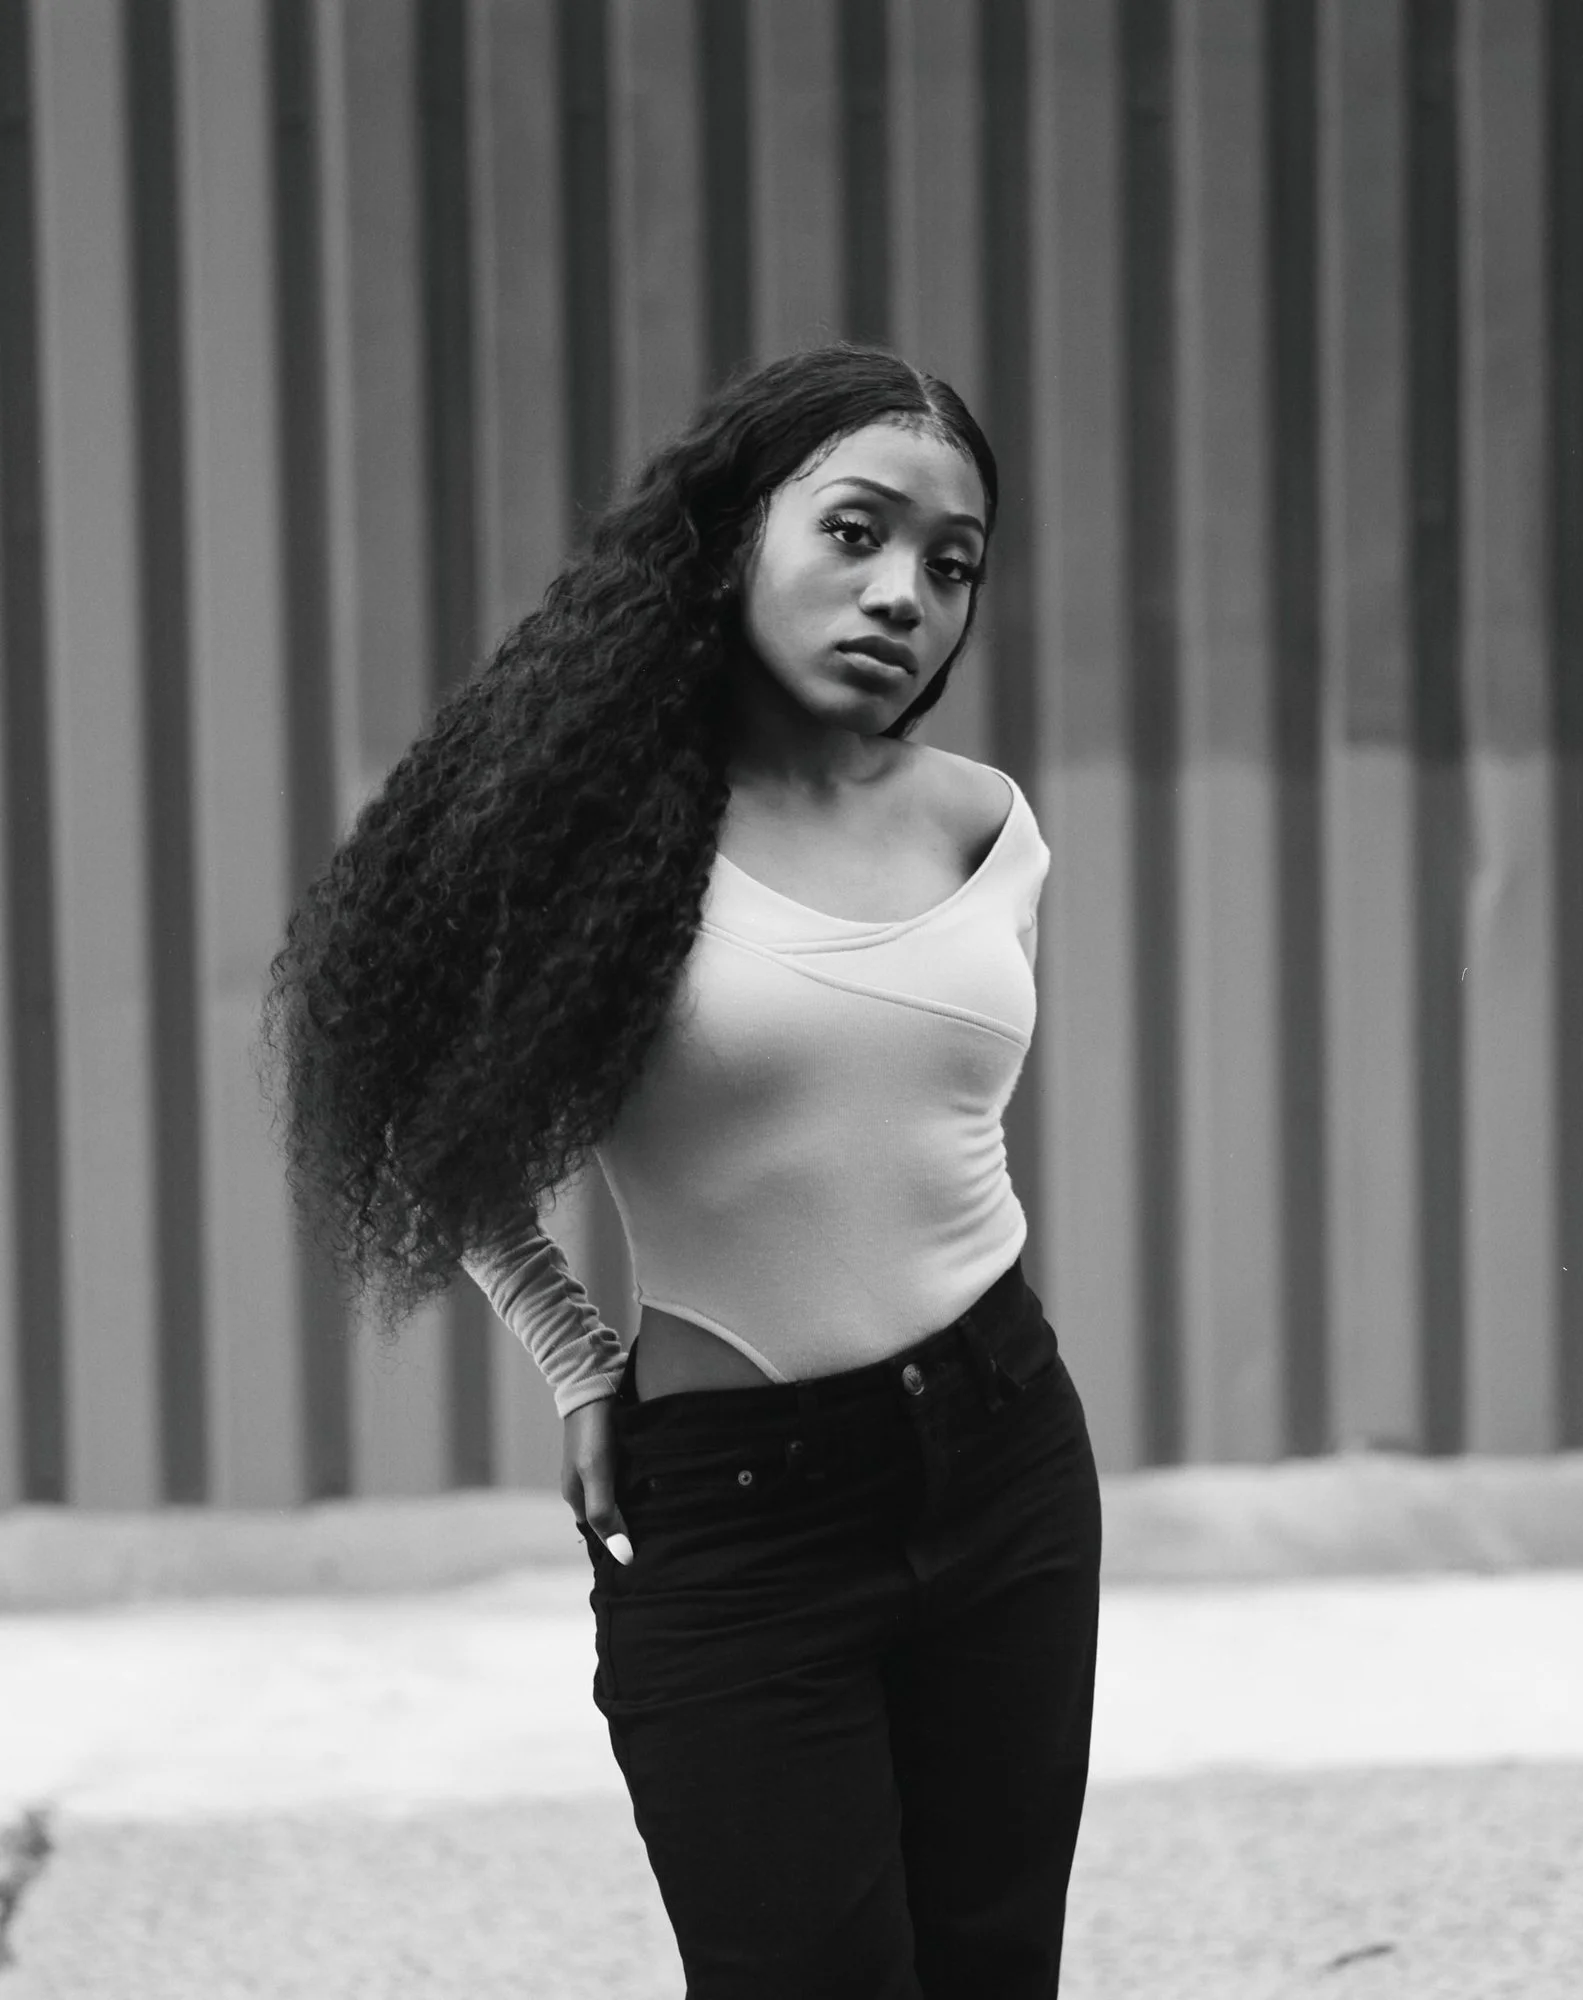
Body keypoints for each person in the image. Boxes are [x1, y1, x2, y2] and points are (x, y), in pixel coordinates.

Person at [259, 341, 1101, 1999]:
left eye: (950, 565)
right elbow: (423, 1124)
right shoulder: (596, 830)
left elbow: (915, 1122)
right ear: (731, 539)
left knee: (993, 1970)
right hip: (738, 1512)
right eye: (853, 531)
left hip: (1006, 1450)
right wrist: (575, 1355)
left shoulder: (983, 824)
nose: (903, 594)